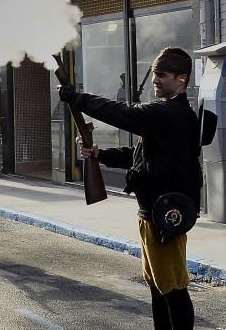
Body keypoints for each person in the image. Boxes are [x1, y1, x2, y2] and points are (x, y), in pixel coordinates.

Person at [59, 47, 200, 330]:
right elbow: (139, 155)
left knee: (172, 286)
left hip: (164, 214)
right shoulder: (167, 114)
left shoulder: (171, 113)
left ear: (181, 79)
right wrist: (100, 154)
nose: (155, 80)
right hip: (153, 211)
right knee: (158, 284)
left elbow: (121, 113)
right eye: (155, 74)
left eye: (162, 75)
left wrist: (79, 98)